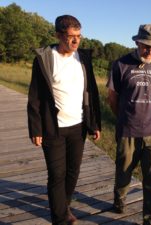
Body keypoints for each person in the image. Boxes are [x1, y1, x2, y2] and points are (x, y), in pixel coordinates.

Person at [27, 15, 101, 225]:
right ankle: (60, 219)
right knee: (56, 174)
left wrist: (94, 123)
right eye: (70, 37)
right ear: (58, 35)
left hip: (78, 127)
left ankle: (63, 205)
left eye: (78, 36)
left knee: (72, 172)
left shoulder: (83, 58)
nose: (76, 41)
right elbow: (35, 97)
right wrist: (36, 129)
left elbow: (91, 92)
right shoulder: (44, 59)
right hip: (53, 127)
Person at [106, 24, 151, 225]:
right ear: (137, 42)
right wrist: (125, 118)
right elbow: (112, 98)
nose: (150, 51)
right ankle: (120, 198)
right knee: (123, 172)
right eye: (146, 46)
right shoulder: (121, 65)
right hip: (128, 131)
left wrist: (150, 115)